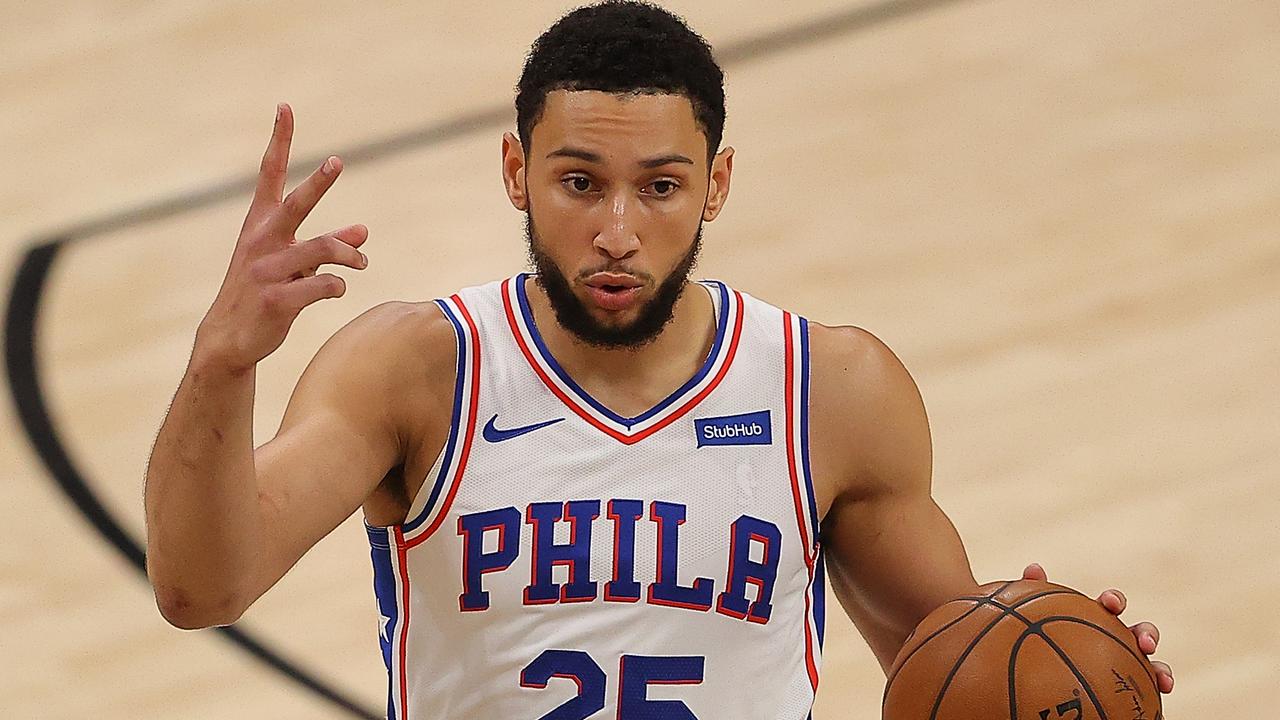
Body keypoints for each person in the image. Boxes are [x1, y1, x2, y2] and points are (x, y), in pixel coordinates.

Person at [143, 2, 1173, 717]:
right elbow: (200, 587)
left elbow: (953, 664)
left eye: (661, 186)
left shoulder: (829, 391)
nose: (618, 230)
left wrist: (1066, 666)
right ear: (516, 171)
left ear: (716, 184)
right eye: (580, 182)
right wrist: (218, 369)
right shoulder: (417, 372)